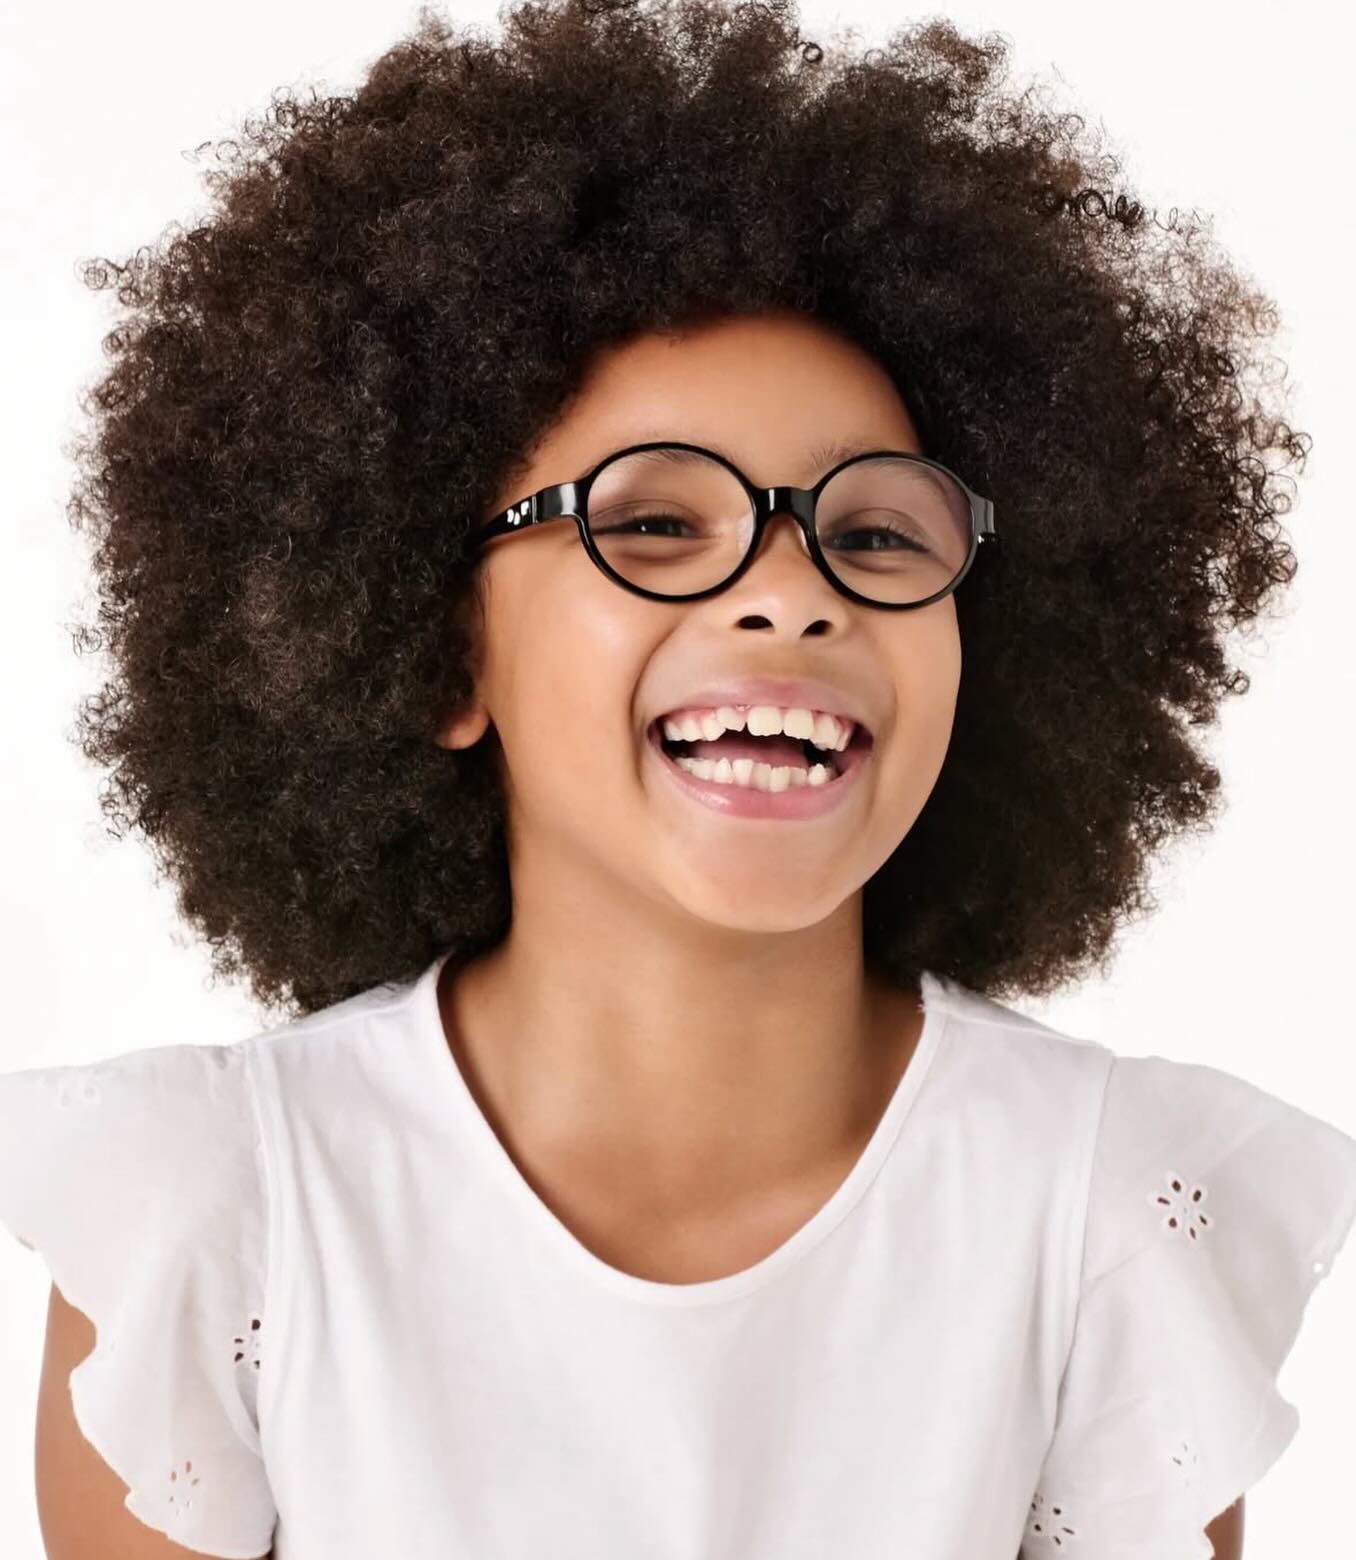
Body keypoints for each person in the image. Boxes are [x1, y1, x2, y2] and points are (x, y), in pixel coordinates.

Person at [2, 1, 1352, 1557]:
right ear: (436, 651)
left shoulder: (1110, 1213)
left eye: (877, 533)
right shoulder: (219, 1211)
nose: (790, 594)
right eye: (651, 524)